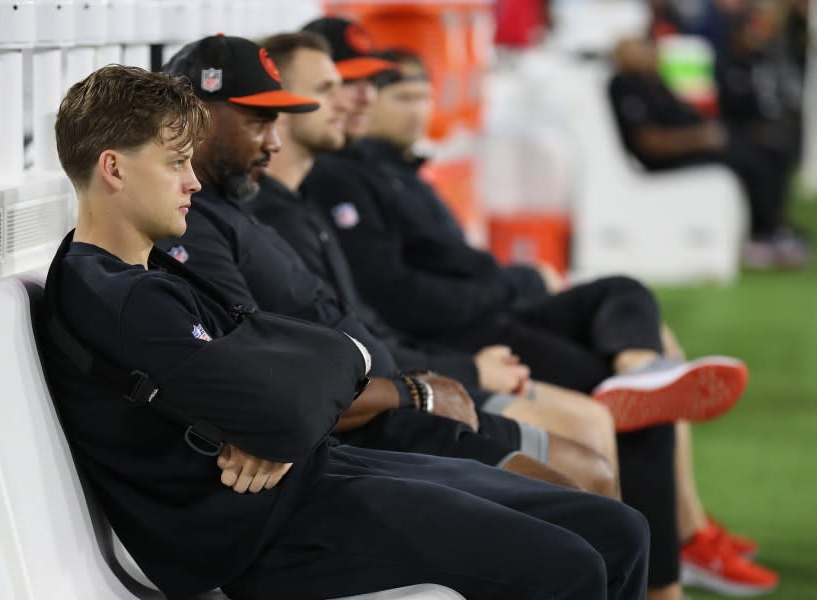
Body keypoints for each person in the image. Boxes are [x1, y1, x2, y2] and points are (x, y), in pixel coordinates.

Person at [38, 59, 651, 600]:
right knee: (570, 566)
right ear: (113, 169)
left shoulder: (143, 270)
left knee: (618, 529)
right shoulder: (113, 294)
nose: (193, 181)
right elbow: (285, 402)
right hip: (265, 535)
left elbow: (294, 369)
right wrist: (318, 386)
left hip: (318, 474)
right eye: (175, 164)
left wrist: (319, 381)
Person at [299, 26, 749, 600]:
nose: (363, 101)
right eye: (391, 93)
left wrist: (506, 288)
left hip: (464, 335)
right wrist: (482, 334)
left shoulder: (384, 170)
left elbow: (438, 275)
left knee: (628, 301)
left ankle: (648, 392)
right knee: (616, 414)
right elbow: (397, 300)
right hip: (458, 342)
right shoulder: (336, 181)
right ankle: (667, 575)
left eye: (416, 93)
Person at [155, 33, 620, 496]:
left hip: (392, 400)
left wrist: (422, 384)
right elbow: (263, 373)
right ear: (198, 117)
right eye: (259, 120)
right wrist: (424, 387)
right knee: (587, 481)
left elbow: (347, 329)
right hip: (360, 435)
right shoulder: (201, 222)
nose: (273, 140)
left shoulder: (249, 204)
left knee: (592, 470)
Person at [609, 36, 807, 269]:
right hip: (669, 158)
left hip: (692, 145)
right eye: (641, 47)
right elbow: (649, 142)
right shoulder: (624, 86)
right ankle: (762, 237)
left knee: (770, 149)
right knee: (751, 160)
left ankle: (775, 226)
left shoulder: (653, 82)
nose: (650, 52)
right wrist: (699, 138)